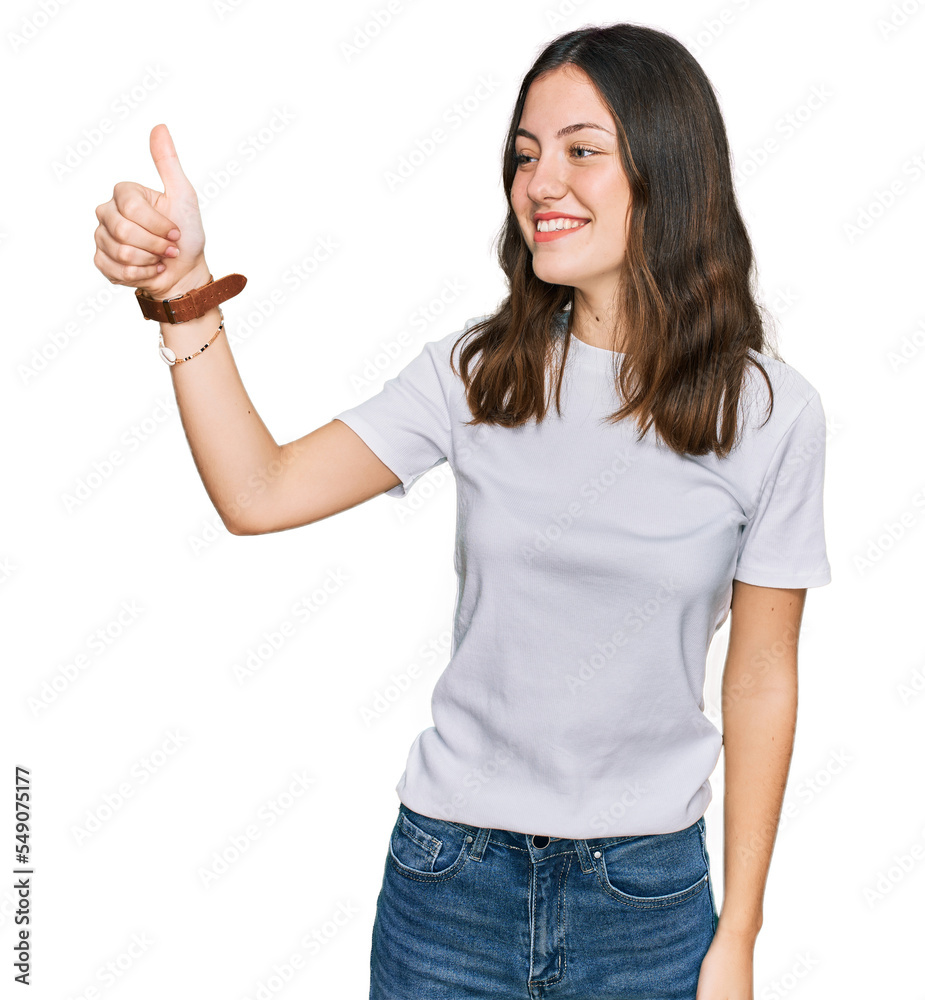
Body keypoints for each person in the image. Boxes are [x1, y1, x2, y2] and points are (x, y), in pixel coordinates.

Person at [92, 21, 831, 1000]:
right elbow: (257, 491)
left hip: (646, 905)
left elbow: (760, 681)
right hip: (451, 892)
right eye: (524, 156)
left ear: (668, 169)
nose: (539, 183)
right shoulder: (478, 373)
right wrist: (185, 295)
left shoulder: (769, 414)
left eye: (580, 151)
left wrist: (737, 933)